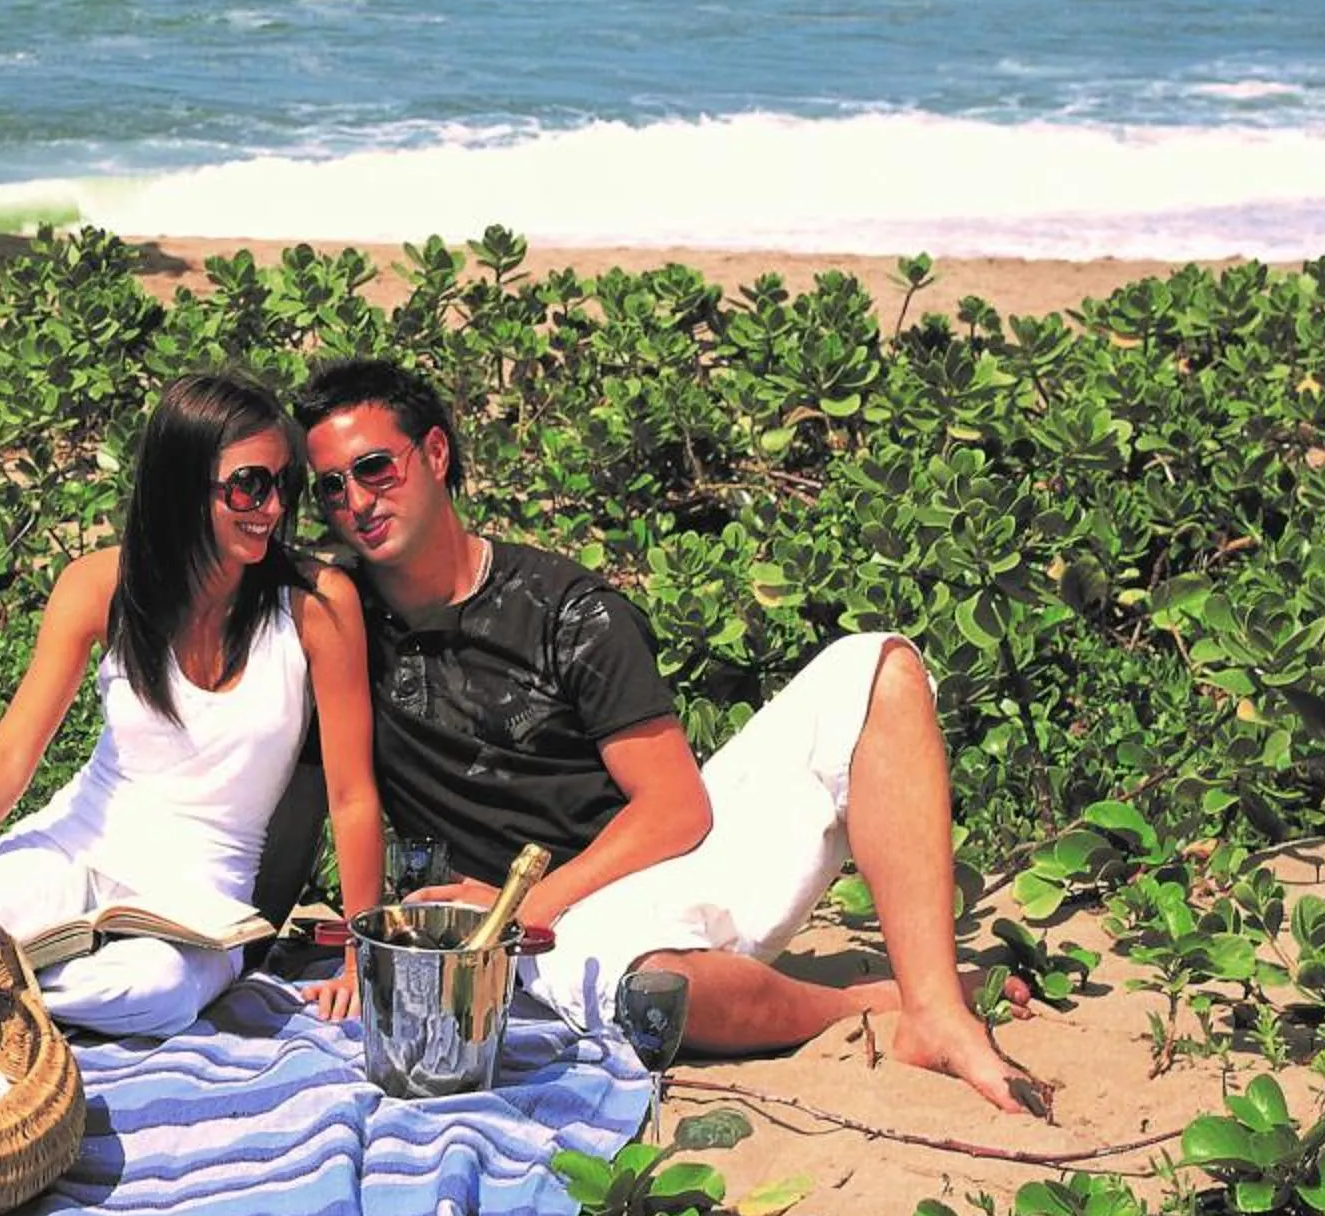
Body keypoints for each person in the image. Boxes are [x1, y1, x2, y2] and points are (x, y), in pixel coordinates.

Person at [292, 355, 1042, 1113]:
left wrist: (537, 901)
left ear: (435, 454)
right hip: (552, 940)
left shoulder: (565, 610)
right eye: (331, 487)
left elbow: (678, 806)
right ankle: (868, 1006)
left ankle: (937, 1009)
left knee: (878, 667)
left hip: (634, 864)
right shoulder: (339, 616)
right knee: (658, 993)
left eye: (375, 468)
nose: (356, 501)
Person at [0, 371, 384, 1034]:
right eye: (249, 484)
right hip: (79, 847)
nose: (270, 508)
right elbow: (17, 749)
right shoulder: (101, 585)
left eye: (282, 484)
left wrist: (361, 954)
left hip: (204, 894)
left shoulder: (317, 605)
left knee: (150, 994)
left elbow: (352, 795)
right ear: (183, 482)